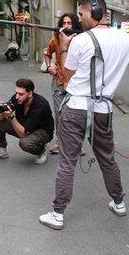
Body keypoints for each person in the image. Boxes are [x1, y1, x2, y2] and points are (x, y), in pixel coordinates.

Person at [39, 0, 129, 230]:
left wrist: (65, 47)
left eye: (81, 14)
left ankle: (57, 214)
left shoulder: (81, 40)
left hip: (76, 107)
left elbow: (66, 75)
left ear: (93, 13)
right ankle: (119, 202)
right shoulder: (127, 40)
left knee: (67, 161)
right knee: (107, 158)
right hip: (103, 110)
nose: (79, 19)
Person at [0, 78, 54, 164]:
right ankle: (2, 151)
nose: (17, 97)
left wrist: (11, 116)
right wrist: (2, 111)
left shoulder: (40, 105)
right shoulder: (17, 98)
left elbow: (23, 134)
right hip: (24, 126)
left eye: (21, 94)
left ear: (30, 94)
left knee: (24, 143)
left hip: (42, 131)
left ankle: (41, 150)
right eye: (16, 93)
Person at [43, 13, 82, 154]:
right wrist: (49, 67)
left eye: (69, 23)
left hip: (75, 83)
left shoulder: (80, 40)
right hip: (59, 81)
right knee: (60, 114)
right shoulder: (56, 39)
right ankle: (60, 143)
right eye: (64, 23)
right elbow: (47, 53)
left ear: (75, 25)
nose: (66, 26)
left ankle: (76, 145)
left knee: (75, 115)